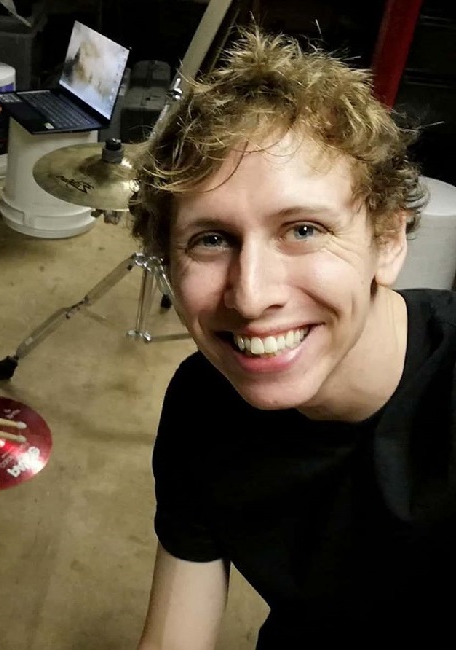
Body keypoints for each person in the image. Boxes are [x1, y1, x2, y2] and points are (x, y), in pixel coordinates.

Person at [129, 25, 454, 649]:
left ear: (388, 241)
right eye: (212, 239)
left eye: (303, 229)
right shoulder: (202, 402)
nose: (250, 297)